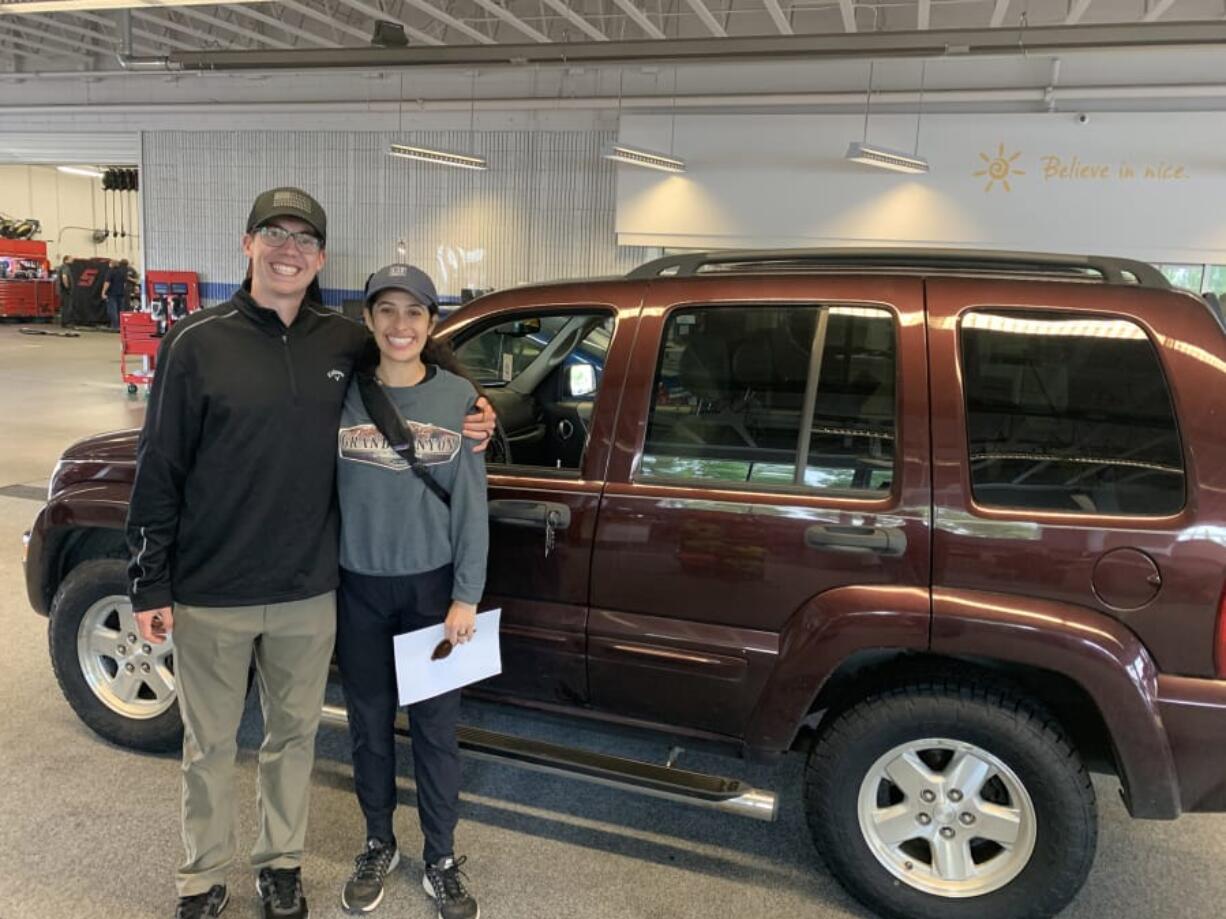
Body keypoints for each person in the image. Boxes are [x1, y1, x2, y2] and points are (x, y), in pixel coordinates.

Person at [125, 188, 496, 919]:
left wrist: (481, 408)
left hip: (313, 588)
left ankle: (283, 867)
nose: (288, 248)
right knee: (211, 746)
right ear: (248, 243)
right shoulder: (196, 342)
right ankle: (201, 878)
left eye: (304, 238)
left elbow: (420, 362)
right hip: (218, 584)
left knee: (298, 738)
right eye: (275, 232)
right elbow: (158, 464)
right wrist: (148, 582)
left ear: (321, 257)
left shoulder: (341, 342)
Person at [333, 265, 487, 919]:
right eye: (387, 311)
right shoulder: (340, 395)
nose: (400, 325)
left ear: (432, 322)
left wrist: (467, 595)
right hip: (358, 587)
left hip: (432, 593)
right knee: (369, 726)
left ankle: (441, 856)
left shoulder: (461, 399)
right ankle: (377, 841)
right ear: (368, 320)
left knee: (434, 728)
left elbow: (472, 508)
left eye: (414, 312)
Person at [103, 258, 129, 330]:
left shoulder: (110, 272)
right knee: (120, 311)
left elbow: (107, 282)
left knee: (112, 310)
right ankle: (122, 326)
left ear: (111, 264)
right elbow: (124, 284)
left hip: (112, 293)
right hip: (121, 293)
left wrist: (103, 292)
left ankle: (115, 326)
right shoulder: (122, 272)